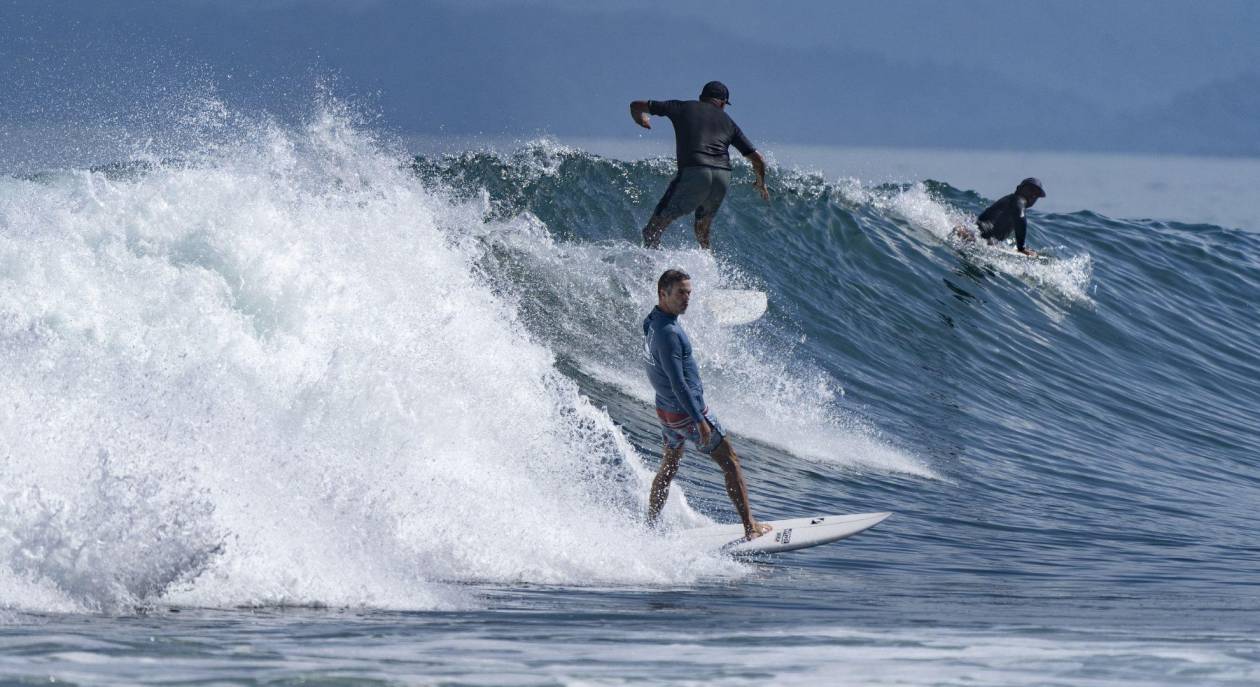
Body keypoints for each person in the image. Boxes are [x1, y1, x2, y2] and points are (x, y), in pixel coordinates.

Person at [642, 268, 771, 540]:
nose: (686, 298)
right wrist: (700, 421)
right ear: (662, 293)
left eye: (689, 293)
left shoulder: (652, 321)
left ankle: (650, 526)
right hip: (687, 413)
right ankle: (750, 527)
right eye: (680, 293)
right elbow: (679, 384)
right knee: (731, 463)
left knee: (669, 466)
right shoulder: (669, 334)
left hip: (666, 413)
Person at [629, 81, 770, 249]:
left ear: (701, 98)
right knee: (702, 231)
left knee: (652, 230)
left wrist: (641, 120)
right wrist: (761, 183)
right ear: (723, 103)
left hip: (696, 171)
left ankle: (649, 272)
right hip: (723, 176)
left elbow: (636, 105)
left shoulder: (681, 107)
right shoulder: (729, 122)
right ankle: (710, 271)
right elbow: (758, 159)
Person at [955, 177, 1047, 256]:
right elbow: (1020, 218)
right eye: (1031, 189)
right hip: (979, 235)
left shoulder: (1011, 201)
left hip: (977, 232)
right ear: (1019, 188)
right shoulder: (1018, 200)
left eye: (1037, 194)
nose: (1033, 195)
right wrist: (1021, 248)